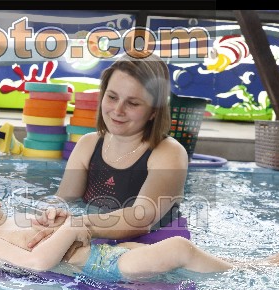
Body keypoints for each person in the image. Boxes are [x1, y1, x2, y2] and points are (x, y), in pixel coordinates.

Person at [0, 178, 279, 281]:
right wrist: (71, 228)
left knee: (182, 256)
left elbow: (59, 233)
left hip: (105, 252)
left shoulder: (19, 217)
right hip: (100, 266)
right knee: (179, 249)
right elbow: (37, 264)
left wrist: (56, 220)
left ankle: (239, 264)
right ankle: (249, 269)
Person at [28, 50, 189, 249]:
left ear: (154, 111)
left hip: (154, 246)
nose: (118, 110)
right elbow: (64, 200)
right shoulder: (88, 145)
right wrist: (51, 214)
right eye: (112, 97)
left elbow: (141, 219)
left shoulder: (169, 153)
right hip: (99, 237)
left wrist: (76, 224)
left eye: (132, 103)